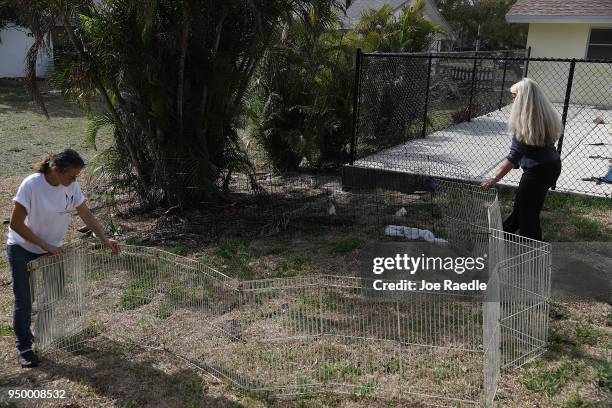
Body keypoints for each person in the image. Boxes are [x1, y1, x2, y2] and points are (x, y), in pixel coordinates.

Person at [7, 149, 120, 368]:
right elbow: (16, 224)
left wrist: (105, 239)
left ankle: (41, 333)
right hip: (22, 248)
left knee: (55, 292)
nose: (75, 181)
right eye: (72, 176)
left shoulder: (72, 187)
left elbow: (86, 214)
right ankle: (25, 347)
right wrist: (44, 245)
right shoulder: (31, 185)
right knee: (24, 299)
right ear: (56, 170)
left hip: (53, 250)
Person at [481, 78, 562, 241]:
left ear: (523, 98)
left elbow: (513, 157)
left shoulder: (524, 123)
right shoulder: (545, 115)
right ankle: (500, 238)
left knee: (528, 215)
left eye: (514, 96)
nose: (512, 100)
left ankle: (532, 250)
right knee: (522, 207)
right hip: (552, 166)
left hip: (538, 171)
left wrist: (494, 178)